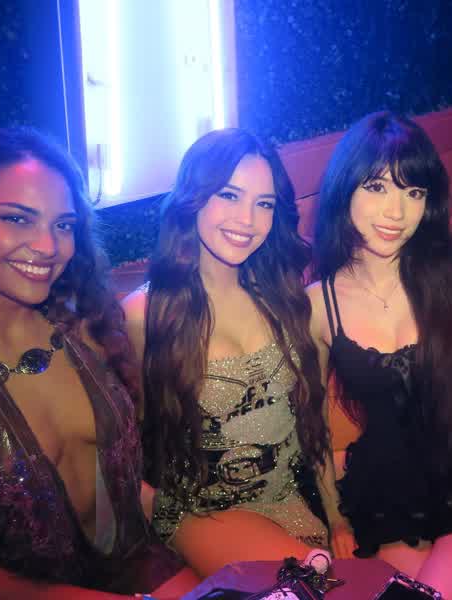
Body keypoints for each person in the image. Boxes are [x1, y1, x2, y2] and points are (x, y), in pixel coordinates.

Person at [0, 128, 197, 599]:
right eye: (17, 218)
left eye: (63, 225)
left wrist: (207, 531)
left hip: (139, 566)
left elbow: (128, 490)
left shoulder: (86, 331)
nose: (48, 246)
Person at [123, 128, 334, 579]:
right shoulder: (146, 315)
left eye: (264, 204)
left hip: (294, 507)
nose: (248, 220)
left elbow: (314, 424)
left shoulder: (281, 295)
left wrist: (340, 518)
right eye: (229, 195)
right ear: (193, 198)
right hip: (203, 518)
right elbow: (120, 447)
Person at [307, 111, 452, 599]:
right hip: (388, 495)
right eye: (377, 187)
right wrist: (334, 518)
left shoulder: (447, 280)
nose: (396, 211)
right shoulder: (318, 305)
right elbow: (311, 421)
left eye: (413, 192)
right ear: (345, 190)